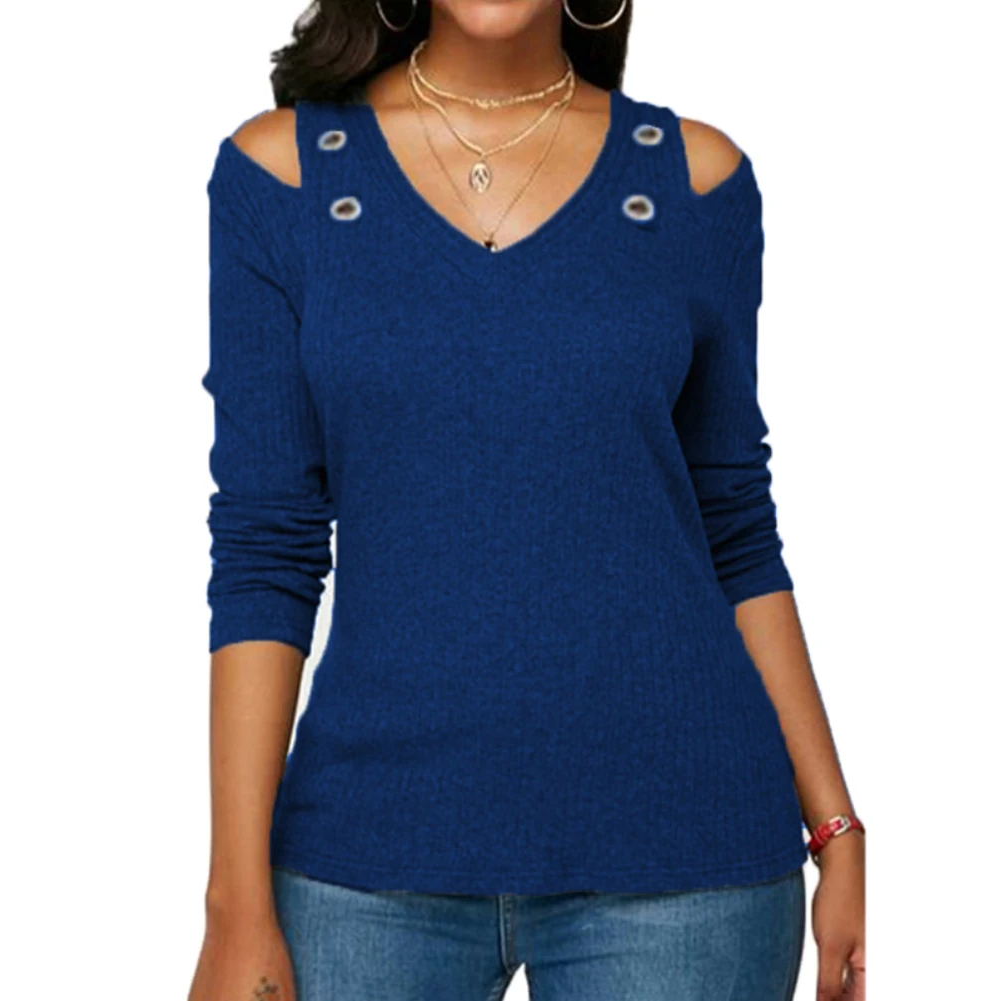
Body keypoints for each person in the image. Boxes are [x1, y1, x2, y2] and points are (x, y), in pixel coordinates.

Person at [188, 2, 865, 999]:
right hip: (364, 854)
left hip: (683, 855)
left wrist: (836, 826)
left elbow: (732, 524)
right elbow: (265, 546)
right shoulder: (283, 176)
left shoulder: (695, 180)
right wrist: (233, 901)